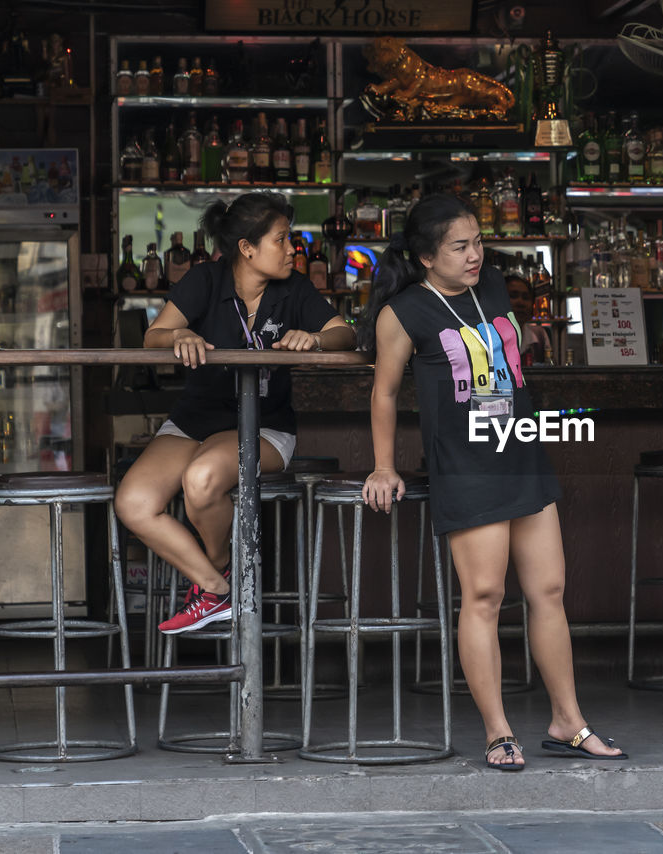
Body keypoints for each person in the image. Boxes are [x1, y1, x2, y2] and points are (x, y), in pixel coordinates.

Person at [359, 193, 625, 771]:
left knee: (549, 592)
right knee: (484, 597)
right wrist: (384, 465)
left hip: (521, 452)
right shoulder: (404, 312)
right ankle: (499, 732)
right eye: (460, 247)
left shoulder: (497, 286)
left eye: (478, 241)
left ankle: (568, 722)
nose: (476, 254)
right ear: (427, 257)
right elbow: (382, 393)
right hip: (467, 466)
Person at [115, 192, 355, 635]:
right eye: (282, 240)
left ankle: (215, 575)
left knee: (202, 479)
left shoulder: (295, 289)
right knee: (133, 502)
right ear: (247, 248)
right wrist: (179, 334)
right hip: (195, 421)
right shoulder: (205, 280)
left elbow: (346, 333)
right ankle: (215, 587)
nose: (291, 250)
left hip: (266, 428)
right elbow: (154, 336)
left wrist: (316, 340)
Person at [505, 272, 549, 364]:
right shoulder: (487, 337)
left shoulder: (539, 335)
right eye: (513, 296)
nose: (520, 303)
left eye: (526, 297)